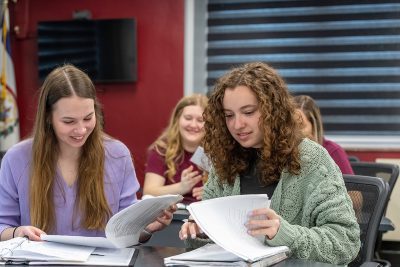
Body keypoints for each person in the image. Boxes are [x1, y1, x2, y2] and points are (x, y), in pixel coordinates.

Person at [179, 62, 360, 265]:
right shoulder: (225, 160)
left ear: (272, 110)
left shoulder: (312, 158)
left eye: (248, 112)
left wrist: (283, 233)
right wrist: (201, 231)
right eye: (229, 115)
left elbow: (346, 243)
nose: (237, 125)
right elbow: (212, 245)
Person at [0, 64, 175, 242]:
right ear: (48, 117)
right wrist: (17, 232)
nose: (81, 129)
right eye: (69, 121)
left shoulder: (117, 155)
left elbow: (127, 231)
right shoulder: (16, 159)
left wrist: (146, 227)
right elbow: (2, 226)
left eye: (88, 118)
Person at [143, 94, 208, 204]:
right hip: (171, 217)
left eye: (200, 120)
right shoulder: (161, 150)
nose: (193, 125)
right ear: (177, 119)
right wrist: (181, 188)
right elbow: (148, 192)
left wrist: (213, 192)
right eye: (188, 118)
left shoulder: (218, 153)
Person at [293, 94, 354, 174]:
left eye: (301, 126)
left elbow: (351, 186)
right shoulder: (283, 155)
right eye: (291, 126)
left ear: (314, 126)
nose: (295, 132)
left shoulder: (333, 152)